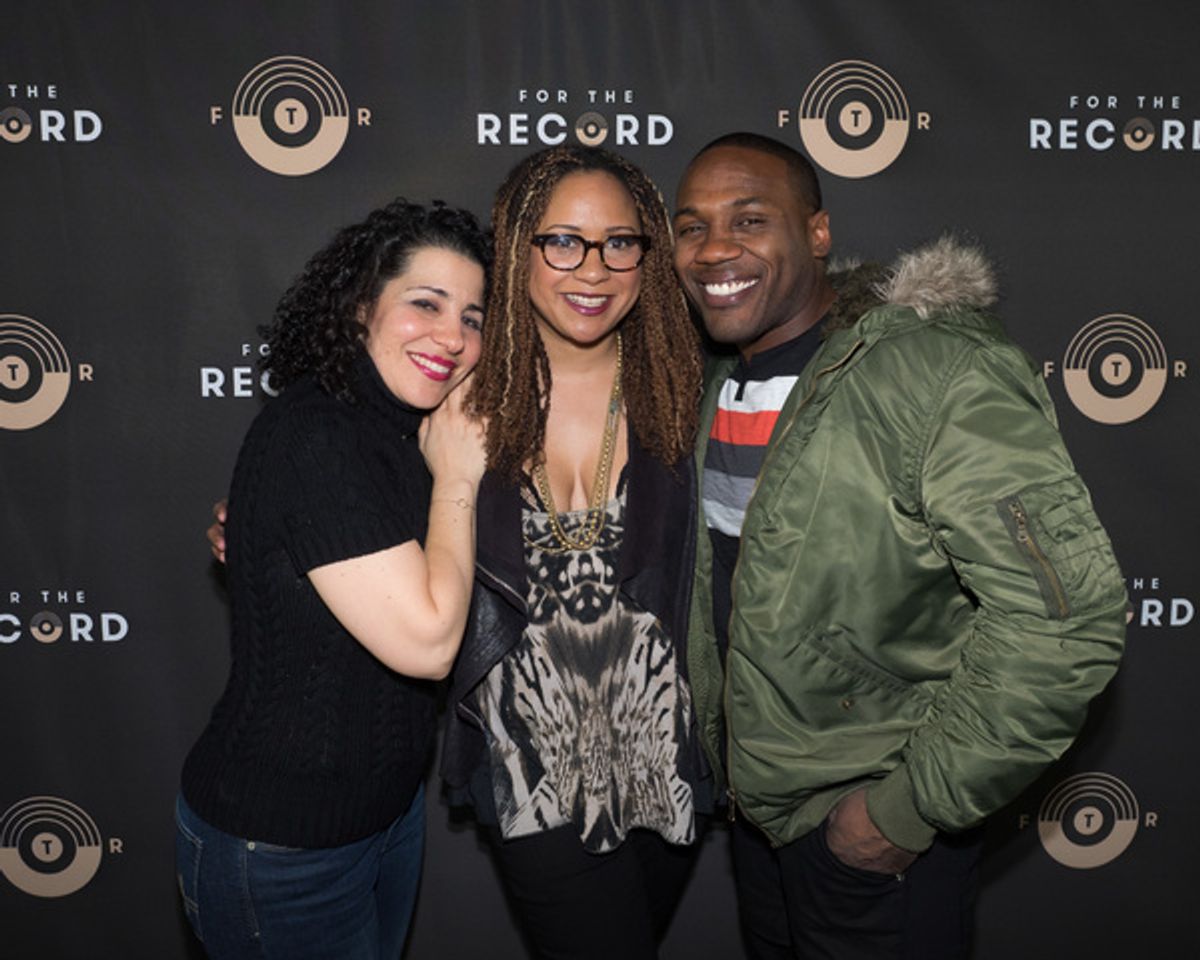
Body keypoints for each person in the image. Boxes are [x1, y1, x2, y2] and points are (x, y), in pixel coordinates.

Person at [672, 132, 1127, 959]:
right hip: (757, 825)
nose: (714, 250)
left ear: (816, 232)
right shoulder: (715, 384)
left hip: (871, 840)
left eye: (749, 219)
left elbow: (1065, 623)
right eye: (691, 226)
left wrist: (902, 812)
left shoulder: (933, 373)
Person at [178, 199, 491, 960]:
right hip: (282, 845)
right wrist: (457, 479)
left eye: (475, 318)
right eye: (426, 304)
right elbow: (427, 645)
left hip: (383, 817)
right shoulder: (320, 433)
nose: (452, 338)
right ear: (360, 308)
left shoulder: (397, 428)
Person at [439, 144, 709, 959]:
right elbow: (344, 478)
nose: (592, 269)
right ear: (516, 247)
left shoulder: (688, 386)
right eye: (562, 241)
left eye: (619, 242)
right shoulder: (455, 387)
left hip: (668, 758)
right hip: (533, 767)